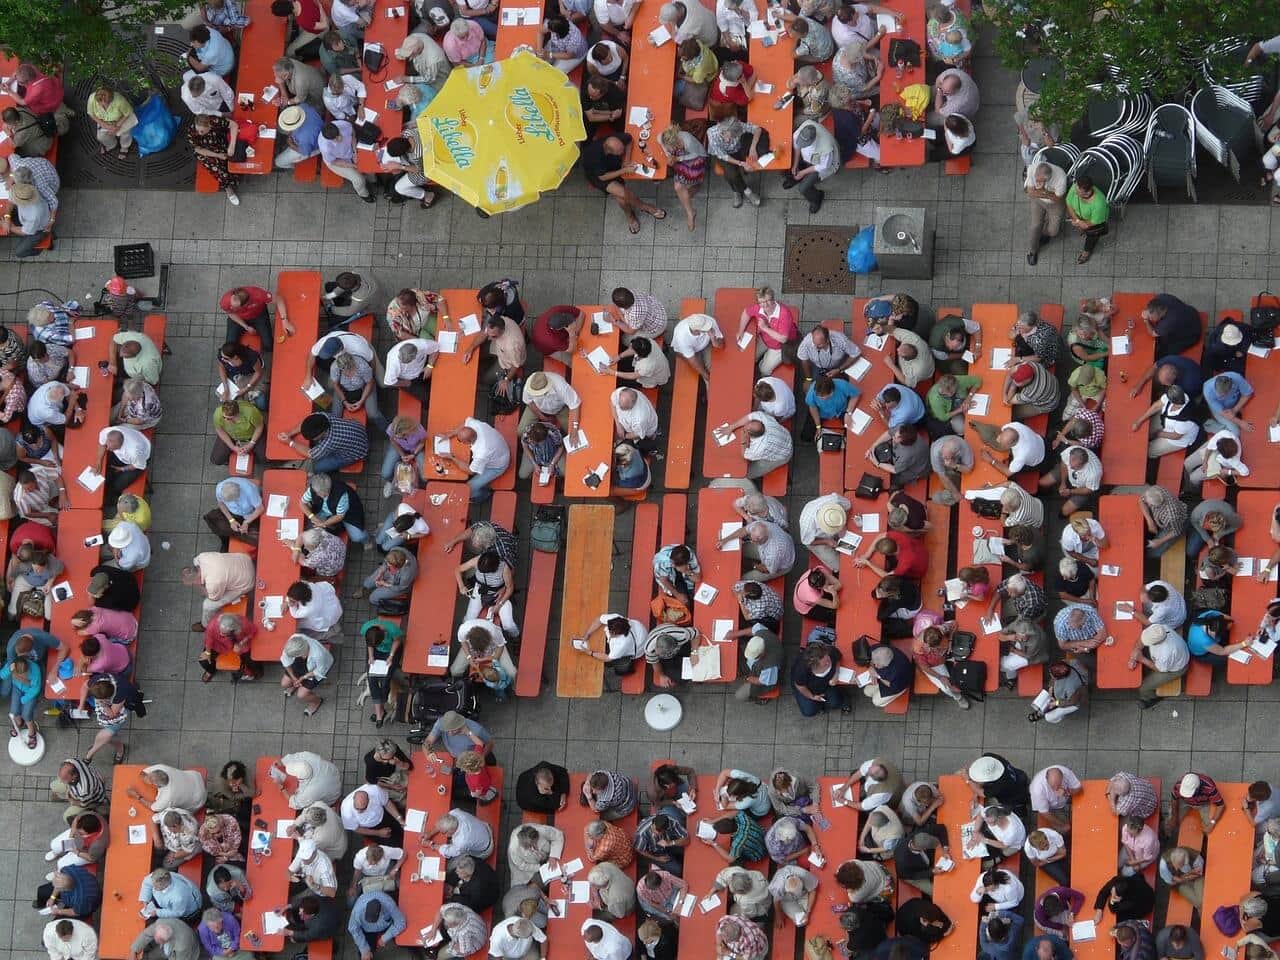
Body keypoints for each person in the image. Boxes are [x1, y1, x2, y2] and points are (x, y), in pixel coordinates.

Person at [581, 134, 667, 234]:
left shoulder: (614, 140)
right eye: (620, 151)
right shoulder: (594, 157)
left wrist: (626, 159)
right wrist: (624, 170)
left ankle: (629, 215)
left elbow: (629, 139)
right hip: (599, 176)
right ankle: (645, 207)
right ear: (610, 151)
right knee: (623, 194)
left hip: (613, 165)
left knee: (622, 201)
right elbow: (603, 177)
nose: (623, 151)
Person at [436, 418, 510, 502]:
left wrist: (451, 457)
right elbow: (465, 422)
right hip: (500, 447)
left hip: (498, 466)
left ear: (468, 441)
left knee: (468, 489)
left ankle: (483, 495)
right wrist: (452, 433)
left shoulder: (481, 452)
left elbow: (470, 471)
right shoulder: (476, 426)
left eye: (460, 441)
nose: (459, 441)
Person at [280, 632, 333, 716]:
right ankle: (295, 683)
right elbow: (285, 660)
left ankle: (316, 701)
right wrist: (293, 677)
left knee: (301, 695)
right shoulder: (294, 640)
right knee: (284, 683)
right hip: (301, 664)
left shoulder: (318, 654)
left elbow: (319, 671)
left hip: (315, 670)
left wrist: (303, 677)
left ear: (300, 654)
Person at [791, 643, 849, 715]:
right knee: (809, 711)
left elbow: (837, 660)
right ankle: (818, 706)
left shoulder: (830, 651)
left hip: (826, 685)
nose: (829, 663)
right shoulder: (801, 671)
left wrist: (836, 675)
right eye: (825, 663)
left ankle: (838, 701)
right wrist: (812, 697)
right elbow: (800, 686)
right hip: (809, 689)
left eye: (828, 658)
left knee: (835, 703)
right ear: (814, 666)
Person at [1064, 172, 1109, 264]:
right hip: (1079, 218)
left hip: (1094, 222)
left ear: (1087, 192)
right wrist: (1077, 220)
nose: (1074, 191)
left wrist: (1082, 224)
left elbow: (1094, 222)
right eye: (1076, 188)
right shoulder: (1076, 186)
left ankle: (1086, 252)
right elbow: (1068, 203)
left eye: (1078, 191)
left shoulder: (1099, 203)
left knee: (1092, 236)